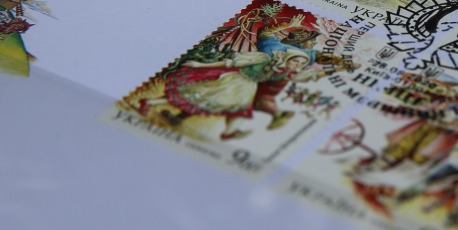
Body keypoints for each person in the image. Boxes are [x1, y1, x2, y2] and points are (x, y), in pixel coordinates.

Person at [139, 48, 325, 140]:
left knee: (215, 103)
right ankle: (149, 102)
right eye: (295, 61)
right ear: (288, 58)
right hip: (233, 81)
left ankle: (229, 131)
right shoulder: (263, 58)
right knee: (197, 95)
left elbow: (308, 76)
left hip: (247, 89)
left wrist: (332, 70)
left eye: (301, 64)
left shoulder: (284, 73)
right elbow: (231, 63)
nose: (297, 65)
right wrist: (201, 65)